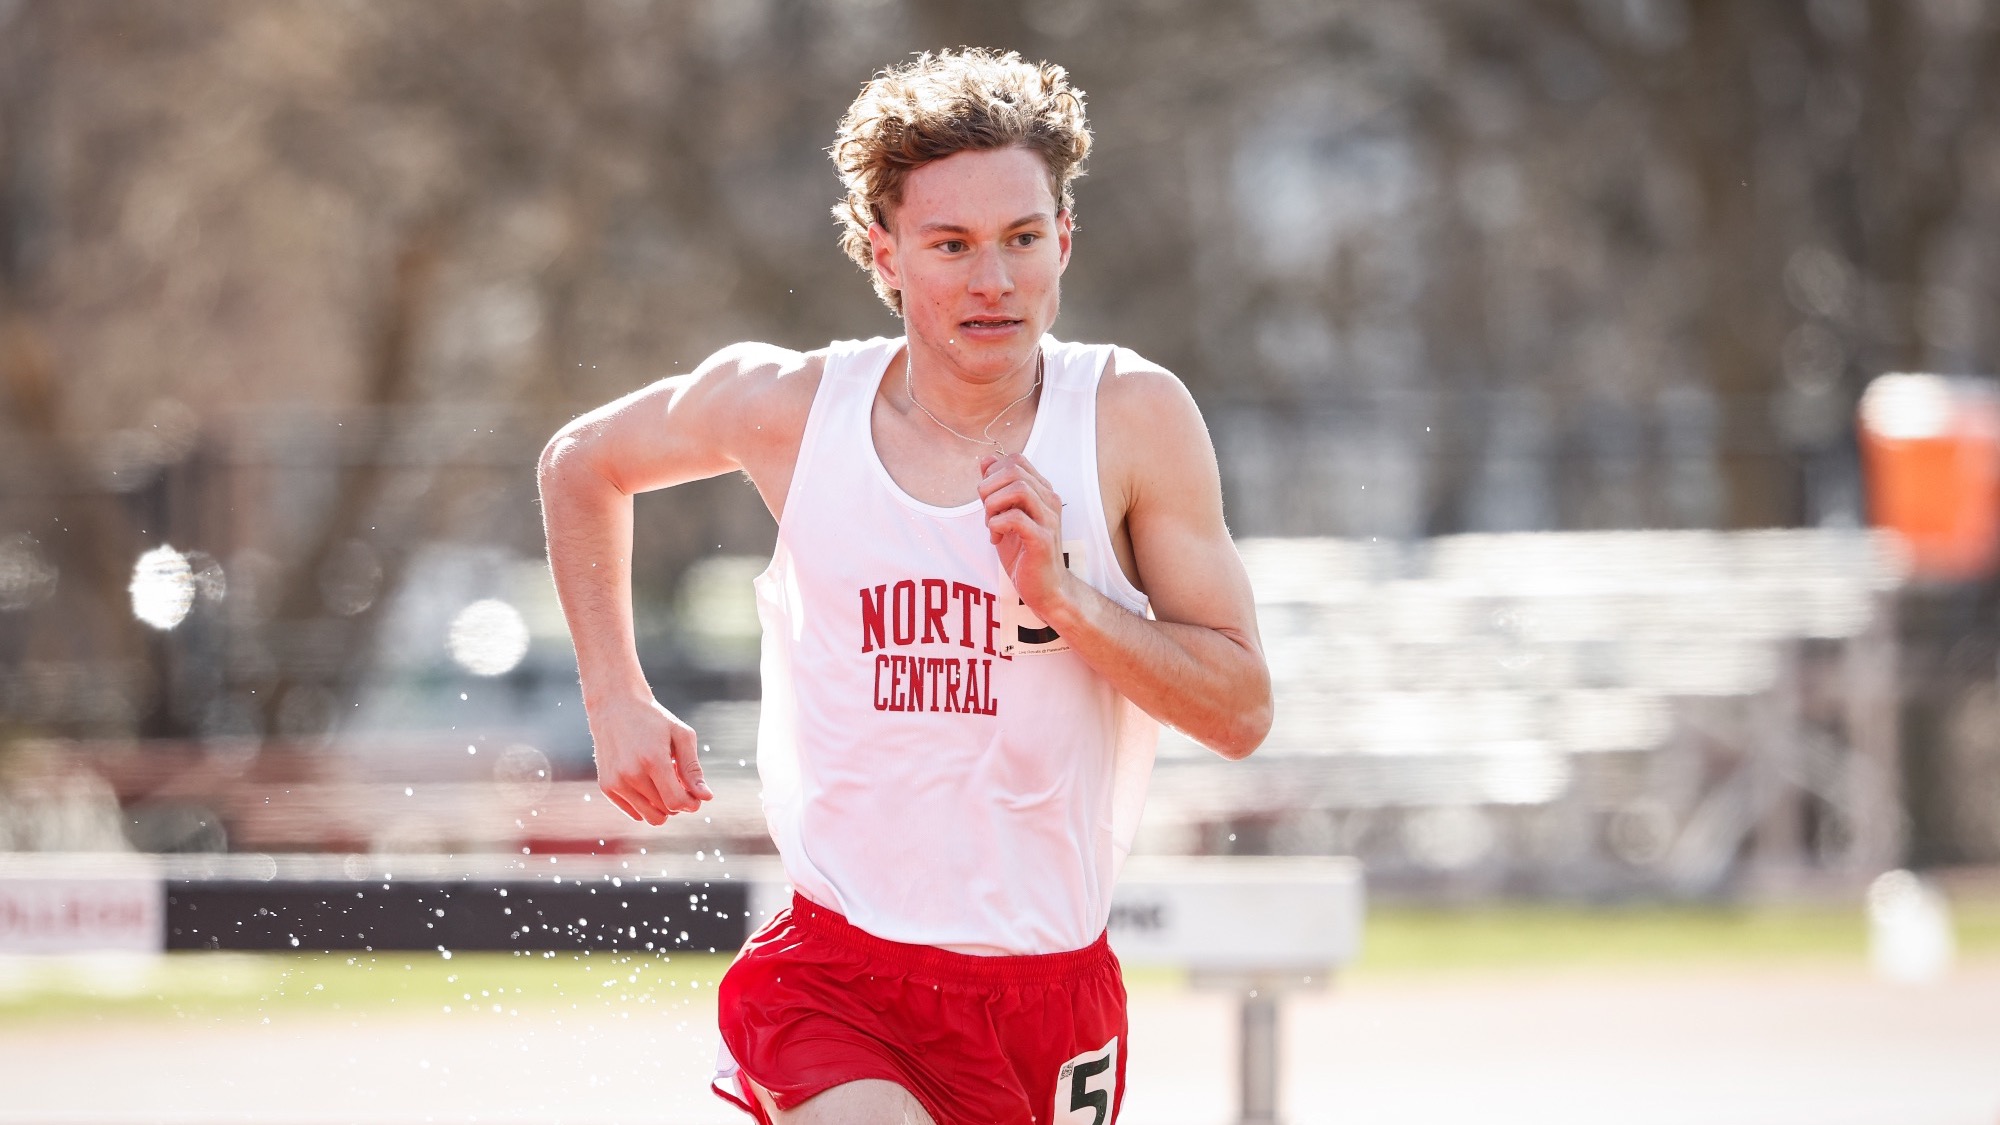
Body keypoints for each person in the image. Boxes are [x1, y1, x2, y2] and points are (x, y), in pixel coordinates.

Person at [538, 48, 1271, 1125]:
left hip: (1047, 988)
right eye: (951, 246)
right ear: (883, 253)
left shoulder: (1128, 417)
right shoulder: (791, 409)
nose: (995, 281)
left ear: (1063, 237)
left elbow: (1239, 709)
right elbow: (581, 462)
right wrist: (614, 694)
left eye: (1022, 239)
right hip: (839, 978)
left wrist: (1067, 600)